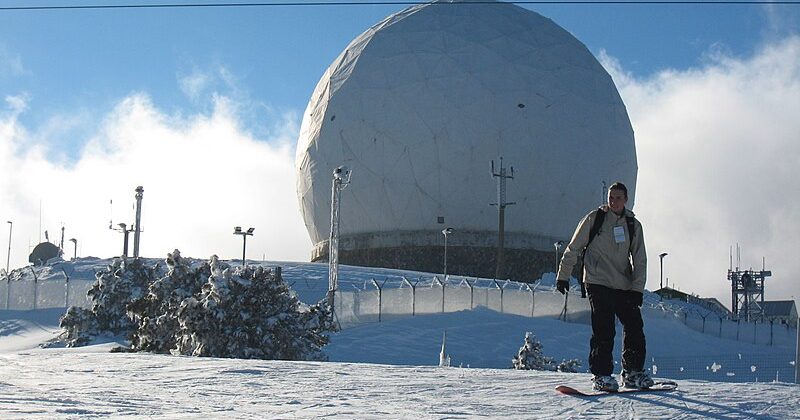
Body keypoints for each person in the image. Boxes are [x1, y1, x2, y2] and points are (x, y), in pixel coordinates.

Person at [555, 182, 653, 391]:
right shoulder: (595, 219)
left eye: (618, 198)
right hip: (597, 280)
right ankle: (601, 375)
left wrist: (637, 289)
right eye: (610, 197)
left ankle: (633, 372)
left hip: (623, 284)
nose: (613, 201)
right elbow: (574, 247)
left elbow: (640, 259)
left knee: (635, 326)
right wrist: (563, 275)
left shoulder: (633, 225)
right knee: (604, 328)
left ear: (625, 200)